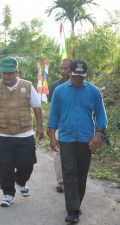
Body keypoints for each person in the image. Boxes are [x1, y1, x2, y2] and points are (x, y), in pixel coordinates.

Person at [48, 60, 107, 223]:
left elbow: (101, 116)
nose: (77, 80)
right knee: (69, 173)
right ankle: (72, 210)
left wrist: (97, 135)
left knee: (81, 174)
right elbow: (53, 116)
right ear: (70, 74)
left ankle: (76, 204)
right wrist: (52, 137)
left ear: (85, 76)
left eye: (81, 77)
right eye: (75, 77)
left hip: (86, 140)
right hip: (66, 138)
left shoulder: (94, 92)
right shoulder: (59, 91)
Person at [0, 57, 44, 207]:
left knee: (28, 163)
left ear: (17, 72)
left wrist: (40, 128)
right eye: (4, 73)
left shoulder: (28, 86)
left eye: (10, 73)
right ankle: (8, 193)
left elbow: (37, 108)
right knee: (5, 166)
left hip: (25, 134)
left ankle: (20, 180)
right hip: (3, 135)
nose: (6, 76)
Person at [47, 58, 72, 193]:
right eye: (61, 68)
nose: (63, 71)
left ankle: (73, 179)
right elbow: (52, 109)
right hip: (58, 126)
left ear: (72, 69)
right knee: (58, 153)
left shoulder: (80, 85)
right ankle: (61, 181)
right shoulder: (55, 86)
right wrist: (50, 127)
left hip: (74, 127)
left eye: (65, 68)